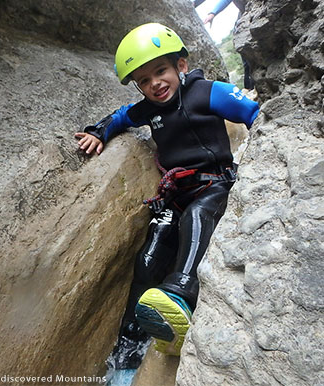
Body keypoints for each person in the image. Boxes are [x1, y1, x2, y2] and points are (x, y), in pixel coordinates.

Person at [75, 22, 259, 368]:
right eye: (144, 80)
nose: (155, 84)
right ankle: (129, 343)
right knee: (149, 255)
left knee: (197, 217)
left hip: (214, 183)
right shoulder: (149, 108)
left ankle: (183, 289)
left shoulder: (206, 92)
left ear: (181, 66)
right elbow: (120, 117)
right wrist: (98, 132)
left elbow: (253, 113)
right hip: (177, 193)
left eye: (161, 71)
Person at [203, 0, 255, 90]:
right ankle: (250, 90)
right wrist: (212, 13)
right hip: (244, 18)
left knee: (251, 62)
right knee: (247, 63)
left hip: (252, 14)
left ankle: (252, 89)